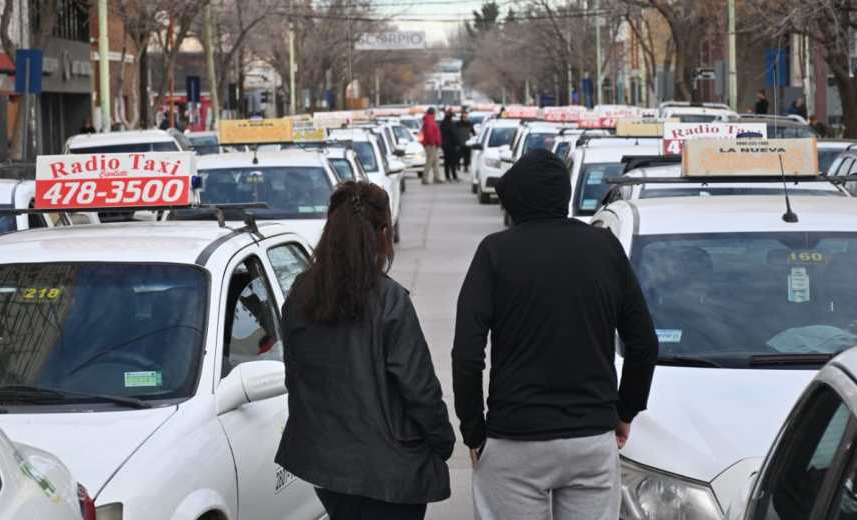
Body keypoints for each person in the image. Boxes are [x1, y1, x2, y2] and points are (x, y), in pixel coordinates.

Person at [452, 149, 659, 520]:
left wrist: (473, 429)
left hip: (514, 439)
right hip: (590, 437)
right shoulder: (604, 247)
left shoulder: (495, 253)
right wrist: (625, 411)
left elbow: (467, 353)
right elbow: (643, 343)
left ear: (515, 198)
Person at [276, 181, 455, 520]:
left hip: (327, 468)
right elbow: (419, 388)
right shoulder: (389, 300)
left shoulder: (300, 293)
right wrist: (442, 441)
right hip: (391, 472)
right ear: (383, 232)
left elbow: (296, 377)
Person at [420, 107, 443, 185]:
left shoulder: (429, 119)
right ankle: (425, 179)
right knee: (430, 161)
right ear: (433, 113)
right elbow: (430, 133)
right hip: (431, 145)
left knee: (436, 161)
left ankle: (436, 177)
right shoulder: (429, 120)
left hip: (432, 144)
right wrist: (433, 143)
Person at [440, 111, 461, 182]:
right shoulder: (450, 124)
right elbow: (454, 135)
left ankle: (447, 176)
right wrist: (458, 143)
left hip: (445, 145)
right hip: (451, 145)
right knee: (452, 162)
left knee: (446, 161)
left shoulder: (442, 124)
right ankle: (454, 176)